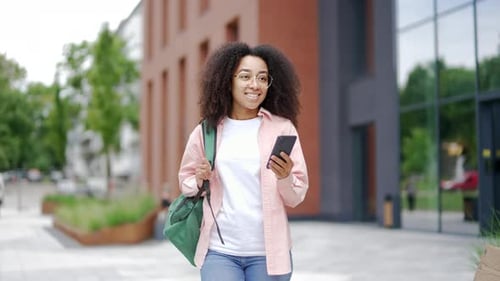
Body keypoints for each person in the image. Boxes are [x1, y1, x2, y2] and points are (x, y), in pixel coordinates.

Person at [178, 42, 309, 281]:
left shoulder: (282, 128)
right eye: (245, 76)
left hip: (268, 255)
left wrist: (285, 177)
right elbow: (185, 182)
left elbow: (296, 196)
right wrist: (198, 178)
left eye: (262, 78)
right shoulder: (207, 131)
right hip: (220, 251)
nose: (254, 85)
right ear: (228, 81)